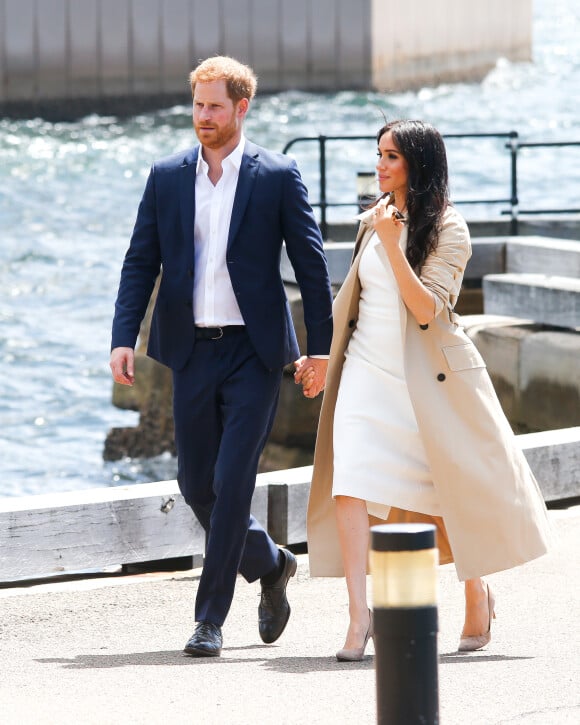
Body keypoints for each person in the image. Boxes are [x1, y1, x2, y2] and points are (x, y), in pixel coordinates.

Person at [298, 119, 551, 660]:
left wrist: (394, 244)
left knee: (448, 491)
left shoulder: (449, 229)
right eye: (379, 154)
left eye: (392, 156)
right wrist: (324, 361)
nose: (380, 166)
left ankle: (476, 587)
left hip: (425, 381)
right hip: (365, 370)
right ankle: (359, 616)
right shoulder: (375, 220)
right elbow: (354, 303)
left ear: (419, 163)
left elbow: (425, 308)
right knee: (351, 480)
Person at [110, 56, 333, 657]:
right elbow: (141, 261)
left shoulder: (277, 176)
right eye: (197, 105)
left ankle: (209, 619)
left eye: (213, 106)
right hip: (189, 350)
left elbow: (312, 269)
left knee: (233, 482)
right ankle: (271, 564)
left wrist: (319, 350)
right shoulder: (166, 175)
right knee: (194, 482)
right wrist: (122, 336)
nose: (201, 117)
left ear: (242, 107)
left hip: (254, 352)